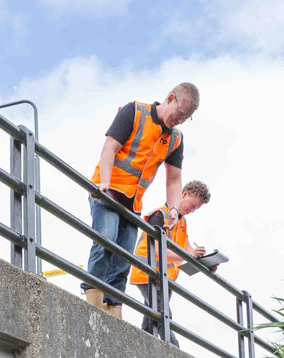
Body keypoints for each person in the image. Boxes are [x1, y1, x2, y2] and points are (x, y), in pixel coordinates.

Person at [81, 83, 200, 319]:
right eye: (179, 114)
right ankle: (92, 297)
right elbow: (109, 148)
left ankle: (113, 307)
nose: (179, 121)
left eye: (186, 118)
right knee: (105, 240)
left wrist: (174, 208)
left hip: (132, 204)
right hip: (108, 191)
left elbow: (174, 180)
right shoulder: (134, 112)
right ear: (171, 98)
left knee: (124, 257)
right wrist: (104, 183)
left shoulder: (175, 139)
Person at [128, 180, 212, 347]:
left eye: (196, 209)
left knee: (151, 320)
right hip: (148, 274)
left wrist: (207, 263)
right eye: (192, 205)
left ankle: (142, 350)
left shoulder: (182, 223)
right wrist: (191, 255)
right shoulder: (160, 215)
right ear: (184, 193)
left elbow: (189, 251)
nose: (192, 210)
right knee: (163, 316)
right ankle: (175, 351)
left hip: (164, 279)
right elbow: (160, 252)